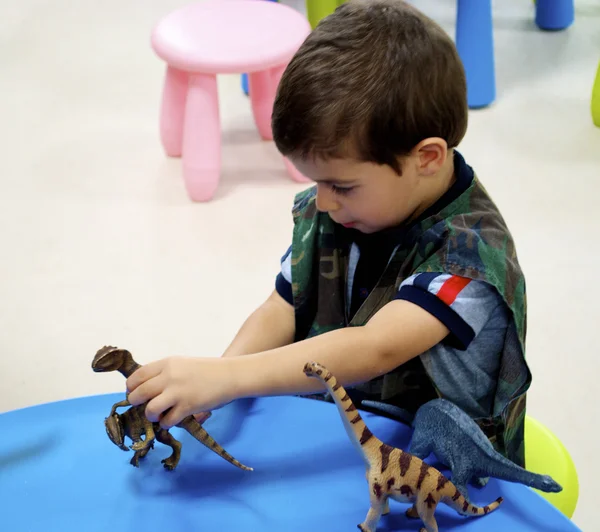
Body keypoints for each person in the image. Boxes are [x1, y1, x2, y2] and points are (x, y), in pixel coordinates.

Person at [126, 0, 531, 466]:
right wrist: (217, 377)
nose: (322, 202)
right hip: (345, 436)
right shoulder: (345, 208)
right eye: (315, 181)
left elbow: (375, 348)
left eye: (341, 184)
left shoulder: (469, 257)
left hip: (439, 471)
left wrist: (232, 378)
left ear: (428, 158)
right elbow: (284, 304)